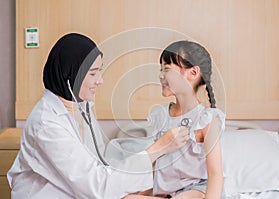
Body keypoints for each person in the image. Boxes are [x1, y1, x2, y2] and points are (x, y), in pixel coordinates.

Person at [7, 33, 190, 199]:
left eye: (99, 70)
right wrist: (158, 149)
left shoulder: (80, 108)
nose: (100, 80)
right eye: (93, 73)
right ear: (69, 76)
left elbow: (99, 167)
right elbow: (97, 185)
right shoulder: (46, 125)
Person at [125, 41, 225, 199]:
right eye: (161, 69)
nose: (161, 75)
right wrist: (146, 192)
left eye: (167, 69)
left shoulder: (206, 119)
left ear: (193, 73)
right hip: (168, 193)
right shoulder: (161, 116)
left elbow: (215, 174)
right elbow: (158, 166)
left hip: (198, 190)